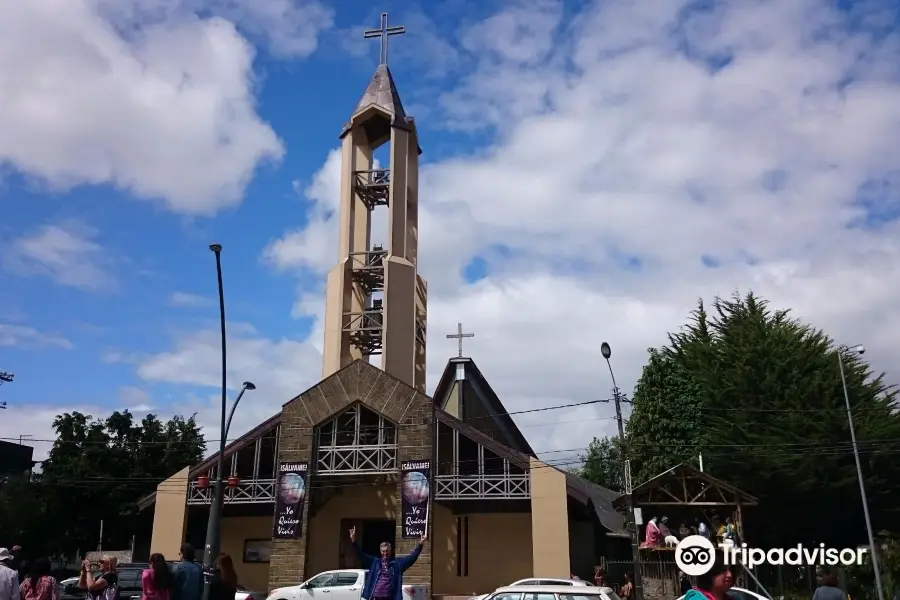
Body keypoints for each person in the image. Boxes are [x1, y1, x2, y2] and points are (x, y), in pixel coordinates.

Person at [349, 526, 426, 600]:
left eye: (387, 551)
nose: (385, 553)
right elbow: (361, 556)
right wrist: (354, 542)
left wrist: (420, 545)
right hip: (375, 597)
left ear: (390, 551)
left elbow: (411, 558)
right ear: (380, 551)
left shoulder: (397, 564)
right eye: (383, 551)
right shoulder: (375, 562)